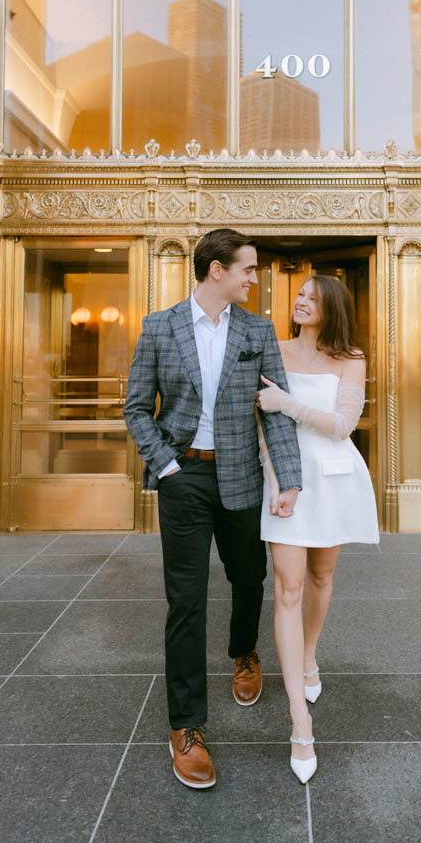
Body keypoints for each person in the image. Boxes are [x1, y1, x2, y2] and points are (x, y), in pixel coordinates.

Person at [124, 229, 302, 789]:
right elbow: (135, 408)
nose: (256, 279)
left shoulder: (256, 329)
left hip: (242, 473)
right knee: (186, 598)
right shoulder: (159, 327)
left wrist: (289, 479)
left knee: (250, 579)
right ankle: (187, 727)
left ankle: (244, 652)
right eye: (248, 269)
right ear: (216, 270)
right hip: (184, 476)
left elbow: (275, 409)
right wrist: (167, 467)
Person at [257, 275, 380, 783]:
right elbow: (261, 422)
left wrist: (287, 403)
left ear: (331, 307)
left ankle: (309, 654)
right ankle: (300, 724)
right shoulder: (274, 348)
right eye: (299, 295)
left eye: (311, 296)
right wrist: (276, 477)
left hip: (333, 478)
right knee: (287, 588)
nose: (300, 301)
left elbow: (342, 425)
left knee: (321, 578)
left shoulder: (351, 357)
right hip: (285, 482)